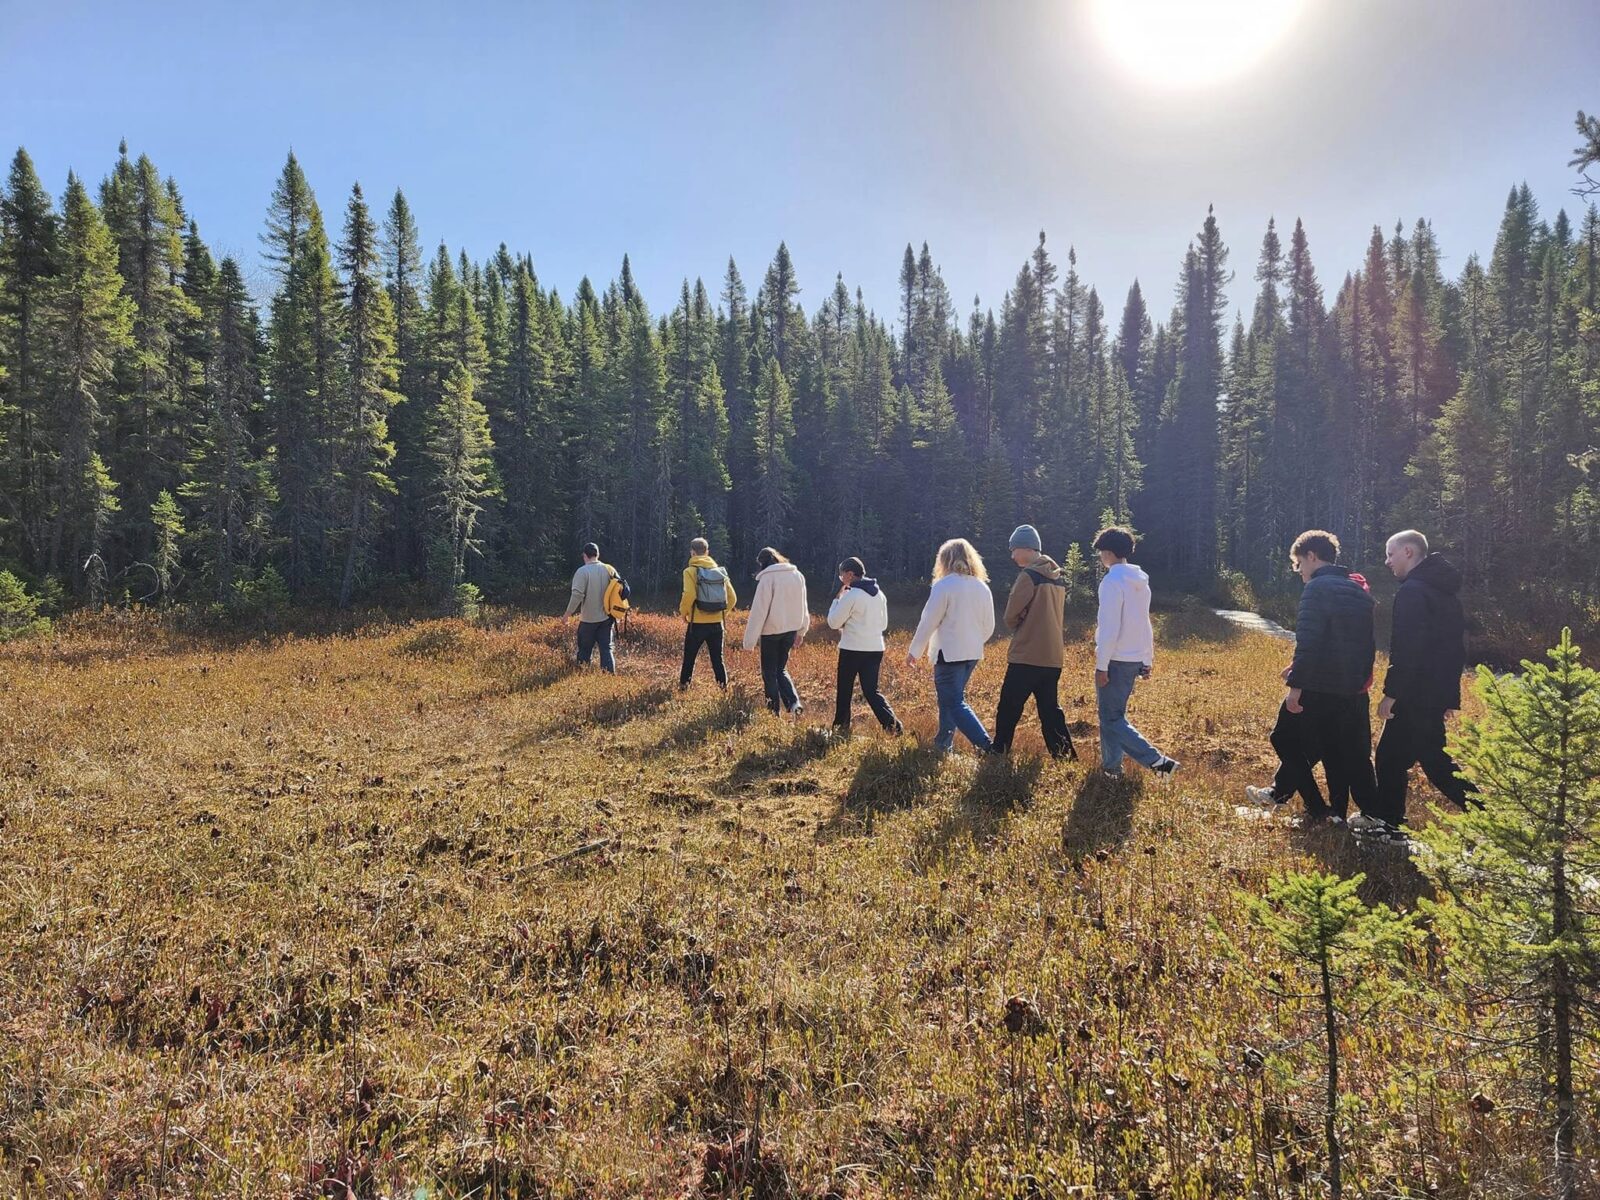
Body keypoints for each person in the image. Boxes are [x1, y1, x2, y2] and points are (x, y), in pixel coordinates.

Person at [1244, 530, 1382, 830]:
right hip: (1351, 688)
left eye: (1298, 564)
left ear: (1311, 556)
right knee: (1335, 750)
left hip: (1318, 686)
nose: (1299, 571)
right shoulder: (1358, 590)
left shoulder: (1317, 589)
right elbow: (1362, 645)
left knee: (1282, 738)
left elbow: (1310, 642)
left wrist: (1296, 686)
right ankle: (1335, 813)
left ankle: (1317, 809)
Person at [1375, 529, 1475, 819]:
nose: (1387, 561)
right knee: (1420, 760)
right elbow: (1454, 651)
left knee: (1407, 760)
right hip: (1430, 694)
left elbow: (1408, 649)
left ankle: (1389, 824)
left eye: (1390, 553)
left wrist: (1391, 694)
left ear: (1408, 552)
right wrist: (1446, 697)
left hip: (1414, 694)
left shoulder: (1413, 591)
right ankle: (1388, 820)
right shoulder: (1444, 593)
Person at [1091, 526, 1177, 778]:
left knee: (1111, 719)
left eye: (1101, 553)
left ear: (1107, 553)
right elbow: (1144, 623)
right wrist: (1146, 658)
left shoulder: (1111, 582)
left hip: (1115, 660)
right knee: (1114, 716)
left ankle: (1159, 764)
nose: (1100, 557)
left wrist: (1101, 665)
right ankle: (1111, 769)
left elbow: (1109, 628)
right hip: (1131, 659)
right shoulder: (1140, 582)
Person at [991, 525, 1076, 759]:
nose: (1012, 555)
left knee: (1009, 707)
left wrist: (1020, 624)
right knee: (1050, 710)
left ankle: (999, 752)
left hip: (1027, 654)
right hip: (1052, 656)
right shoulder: (1057, 578)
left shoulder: (1028, 576)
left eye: (1014, 549)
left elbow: (1010, 616)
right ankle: (1065, 757)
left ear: (1027, 548)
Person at [906, 538, 996, 754]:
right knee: (950, 700)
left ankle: (986, 746)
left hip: (948, 654)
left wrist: (914, 651)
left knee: (954, 702)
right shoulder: (982, 587)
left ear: (944, 561)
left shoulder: (943, 586)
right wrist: (974, 642)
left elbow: (929, 621)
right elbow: (989, 626)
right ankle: (943, 745)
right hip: (972, 653)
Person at [827, 556, 902, 735]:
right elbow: (883, 625)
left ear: (850, 575)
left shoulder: (852, 594)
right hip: (875, 648)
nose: (841, 578)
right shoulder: (880, 594)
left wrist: (837, 599)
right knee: (871, 691)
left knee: (845, 689)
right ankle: (893, 726)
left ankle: (841, 727)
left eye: (841, 575)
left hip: (852, 648)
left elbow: (833, 622)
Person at [742, 547, 808, 715]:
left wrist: (749, 642)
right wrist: (801, 631)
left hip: (771, 632)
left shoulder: (767, 579)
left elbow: (759, 611)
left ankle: (773, 712)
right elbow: (804, 605)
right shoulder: (797, 575)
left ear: (762, 563)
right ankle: (794, 704)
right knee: (781, 669)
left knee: (769, 673)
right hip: (790, 630)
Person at [679, 537, 736, 690]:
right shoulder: (720, 572)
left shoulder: (690, 571)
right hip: (717, 625)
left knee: (689, 659)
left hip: (696, 624)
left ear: (692, 552)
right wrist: (722, 614)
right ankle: (723, 690)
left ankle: (684, 689)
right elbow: (732, 598)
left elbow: (689, 594)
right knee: (718, 659)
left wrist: (684, 612)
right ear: (707, 552)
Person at [564, 542, 617, 673]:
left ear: (584, 556)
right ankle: (609, 678)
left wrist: (567, 614)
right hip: (607, 618)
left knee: (584, 650)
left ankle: (582, 675)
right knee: (606, 649)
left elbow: (577, 595)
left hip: (588, 620)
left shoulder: (582, 572)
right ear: (597, 555)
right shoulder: (609, 569)